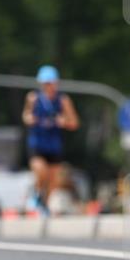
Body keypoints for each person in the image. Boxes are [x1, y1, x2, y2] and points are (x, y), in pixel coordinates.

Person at [22, 66, 79, 211]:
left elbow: (74, 122)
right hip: (37, 143)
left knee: (54, 180)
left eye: (50, 83)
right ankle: (36, 193)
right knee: (41, 171)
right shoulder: (33, 98)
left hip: (54, 145)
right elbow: (26, 116)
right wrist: (30, 119)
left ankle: (44, 205)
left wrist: (64, 122)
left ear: (55, 83)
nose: (48, 86)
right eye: (45, 83)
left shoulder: (63, 100)